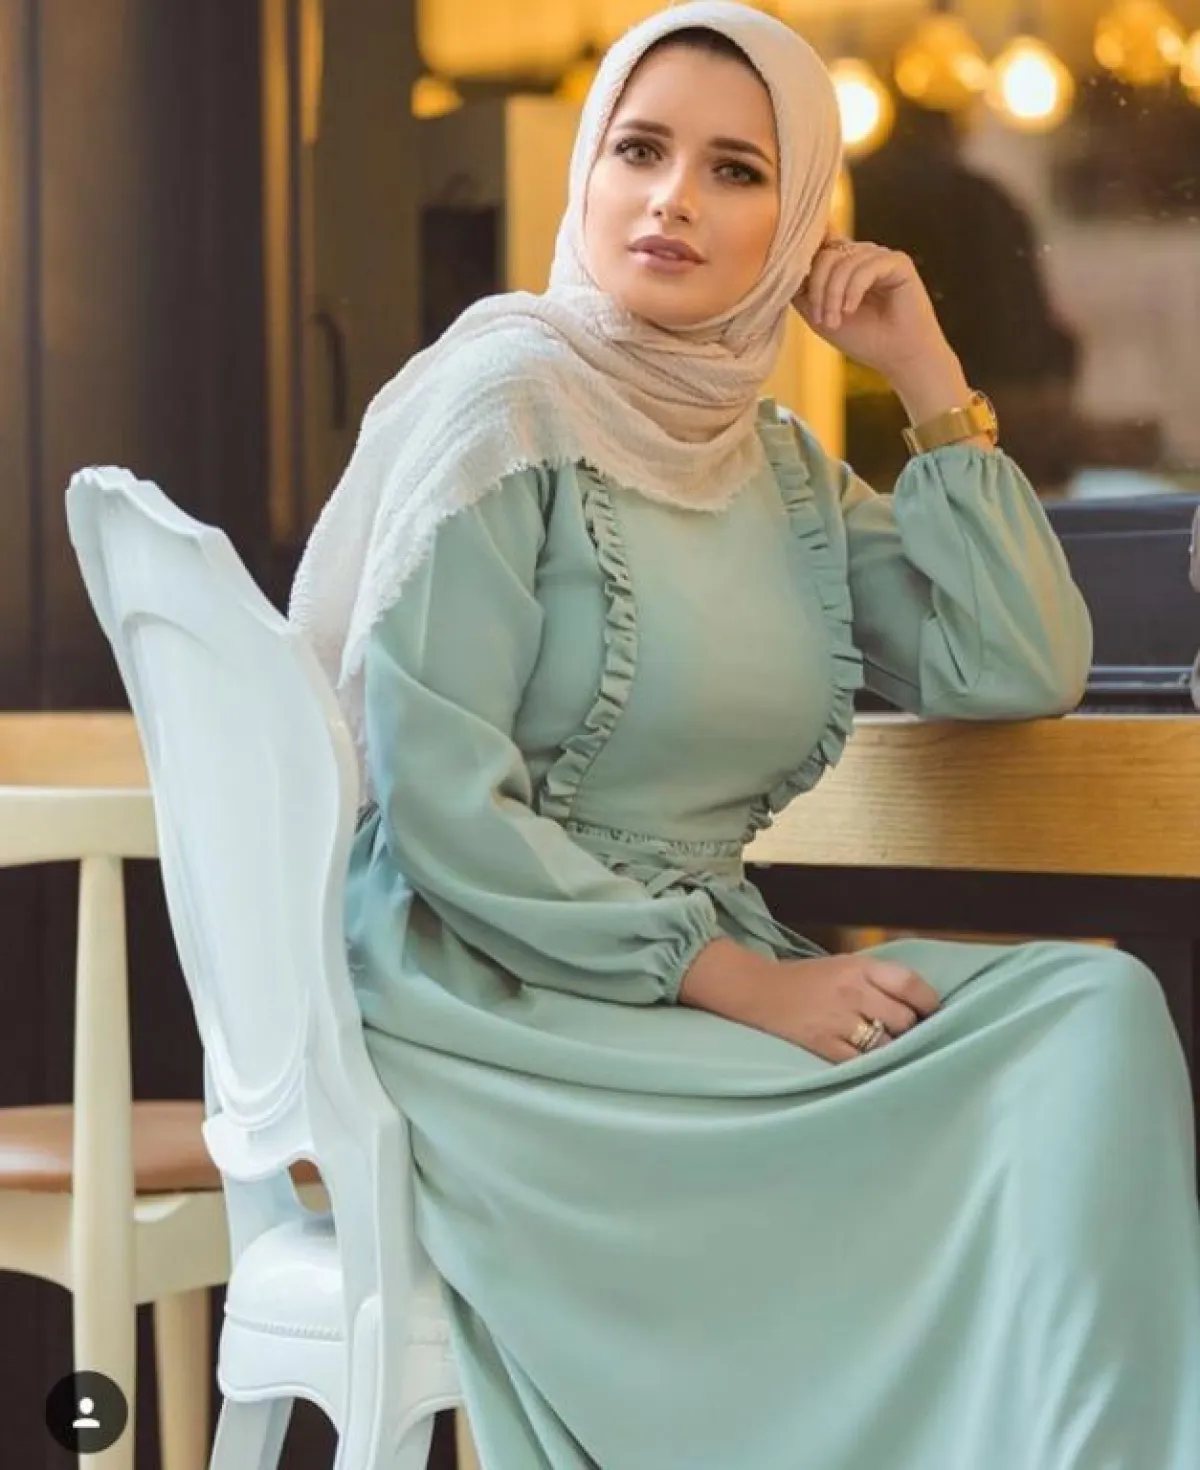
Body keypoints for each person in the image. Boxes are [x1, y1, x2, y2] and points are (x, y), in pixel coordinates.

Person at [289, 5, 1200, 1466]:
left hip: (713, 977)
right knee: (955, 1122)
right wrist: (735, 979)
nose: (673, 199)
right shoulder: (502, 405)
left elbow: (1018, 663)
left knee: (1090, 1019)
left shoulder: (775, 467)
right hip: (496, 995)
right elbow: (439, 801)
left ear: (797, 226)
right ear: (588, 173)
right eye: (640, 151)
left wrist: (929, 379)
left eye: (737, 170)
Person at [848, 99, 1081, 492]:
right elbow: (1025, 331)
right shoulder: (983, 199)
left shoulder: (855, 195)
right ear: (953, 131)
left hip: (869, 432)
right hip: (983, 411)